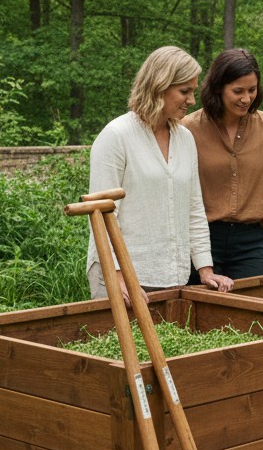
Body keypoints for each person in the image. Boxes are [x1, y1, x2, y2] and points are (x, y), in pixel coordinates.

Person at [86, 45, 233, 304]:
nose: (191, 100)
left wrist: (205, 269)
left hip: (173, 276)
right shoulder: (116, 136)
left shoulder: (185, 139)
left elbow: (194, 209)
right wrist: (118, 278)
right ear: (158, 86)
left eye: (193, 91)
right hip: (123, 278)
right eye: (184, 91)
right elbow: (101, 216)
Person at [181, 48, 263, 285]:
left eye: (252, 90)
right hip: (202, 241)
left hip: (250, 243)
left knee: (250, 316)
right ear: (218, 87)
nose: (246, 98)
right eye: (238, 91)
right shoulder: (188, 129)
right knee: (198, 317)